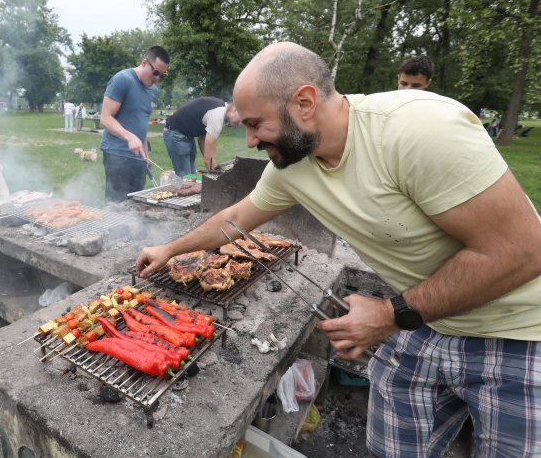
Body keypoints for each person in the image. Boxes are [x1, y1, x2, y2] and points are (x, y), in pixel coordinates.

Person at [136, 42, 541, 457]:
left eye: (256, 124)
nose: (251, 140)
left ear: (305, 102)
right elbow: (234, 220)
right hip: (424, 322)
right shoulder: (293, 164)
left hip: (517, 334)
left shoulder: (418, 130)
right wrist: (170, 248)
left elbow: (523, 251)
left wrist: (388, 314)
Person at [100, 46, 170, 202]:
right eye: (155, 72)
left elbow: (141, 122)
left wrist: (146, 154)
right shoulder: (122, 79)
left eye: (162, 75)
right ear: (144, 62)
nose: (157, 78)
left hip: (138, 158)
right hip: (117, 154)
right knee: (116, 206)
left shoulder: (153, 90)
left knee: (136, 206)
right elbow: (105, 117)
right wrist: (129, 137)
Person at [163, 96, 241, 176]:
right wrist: (214, 175)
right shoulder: (218, 115)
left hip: (186, 135)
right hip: (176, 134)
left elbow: (202, 138)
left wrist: (213, 164)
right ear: (234, 109)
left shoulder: (220, 109)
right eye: (241, 118)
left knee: (191, 176)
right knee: (185, 179)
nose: (240, 124)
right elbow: (207, 160)